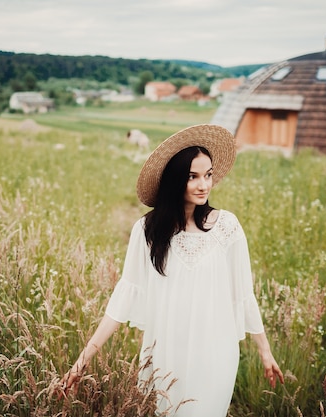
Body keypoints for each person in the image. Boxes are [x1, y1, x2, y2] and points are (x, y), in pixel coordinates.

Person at [61, 124, 283, 416]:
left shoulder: (227, 227)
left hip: (215, 352)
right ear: (175, 180)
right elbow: (123, 299)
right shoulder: (147, 230)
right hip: (165, 352)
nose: (204, 185)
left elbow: (243, 294)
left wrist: (265, 352)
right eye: (192, 176)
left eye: (208, 174)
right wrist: (83, 360)